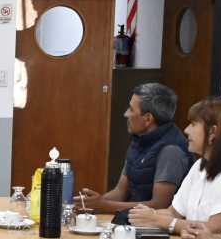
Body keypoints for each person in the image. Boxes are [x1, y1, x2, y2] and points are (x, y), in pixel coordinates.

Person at [129, 97, 221, 235]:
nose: (186, 130)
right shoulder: (200, 165)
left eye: (193, 124)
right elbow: (173, 212)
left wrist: (156, 219)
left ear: (213, 132)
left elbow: (213, 228)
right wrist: (142, 215)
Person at [78, 83, 190, 214]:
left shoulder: (171, 151)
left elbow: (160, 205)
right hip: (132, 221)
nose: (126, 114)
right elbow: (120, 192)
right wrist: (89, 205)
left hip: (155, 229)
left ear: (148, 119)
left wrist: (103, 206)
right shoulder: (139, 138)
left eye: (131, 109)